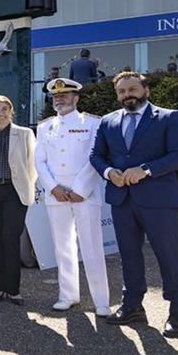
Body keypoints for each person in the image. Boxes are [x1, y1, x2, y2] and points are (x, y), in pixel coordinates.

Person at [90, 71, 178, 337]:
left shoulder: (169, 117)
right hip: (122, 200)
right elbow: (96, 155)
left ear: (145, 90)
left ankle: (177, 312)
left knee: (168, 256)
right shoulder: (108, 121)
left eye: (132, 89)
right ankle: (133, 306)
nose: (127, 95)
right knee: (128, 256)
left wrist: (145, 169)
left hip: (159, 200)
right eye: (122, 92)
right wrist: (109, 172)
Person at [35, 78, 111, 317]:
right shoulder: (45, 126)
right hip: (56, 195)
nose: (60, 98)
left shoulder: (92, 123)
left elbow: (95, 157)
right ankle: (68, 295)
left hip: (84, 195)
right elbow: (40, 161)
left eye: (65, 95)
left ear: (76, 98)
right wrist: (53, 188)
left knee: (92, 246)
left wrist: (80, 189)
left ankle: (101, 300)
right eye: (56, 96)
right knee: (63, 247)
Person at [0, 96, 37, 306]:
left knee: (11, 239)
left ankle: (14, 290)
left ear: (11, 111)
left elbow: (32, 164)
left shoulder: (25, 134)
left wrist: (27, 186)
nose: (0, 113)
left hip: (15, 191)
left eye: (4, 109)